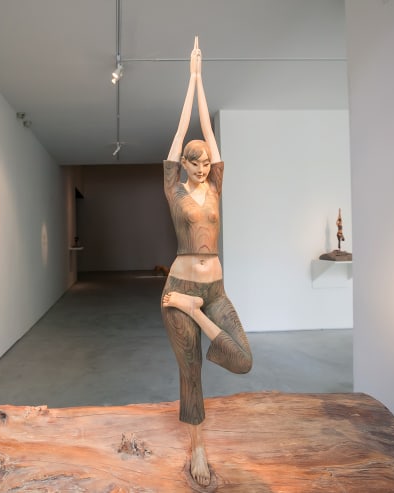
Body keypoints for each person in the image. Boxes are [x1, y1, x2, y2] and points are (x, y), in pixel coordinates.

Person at [161, 37, 253, 487]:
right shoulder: (173, 189)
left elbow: (211, 140)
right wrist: (187, 82)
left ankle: (195, 312)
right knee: (191, 370)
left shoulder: (215, 186)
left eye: (204, 164)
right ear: (183, 163)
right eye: (193, 163)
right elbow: (182, 135)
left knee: (242, 358)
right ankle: (197, 446)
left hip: (211, 293)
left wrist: (200, 79)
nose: (201, 168)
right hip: (178, 288)